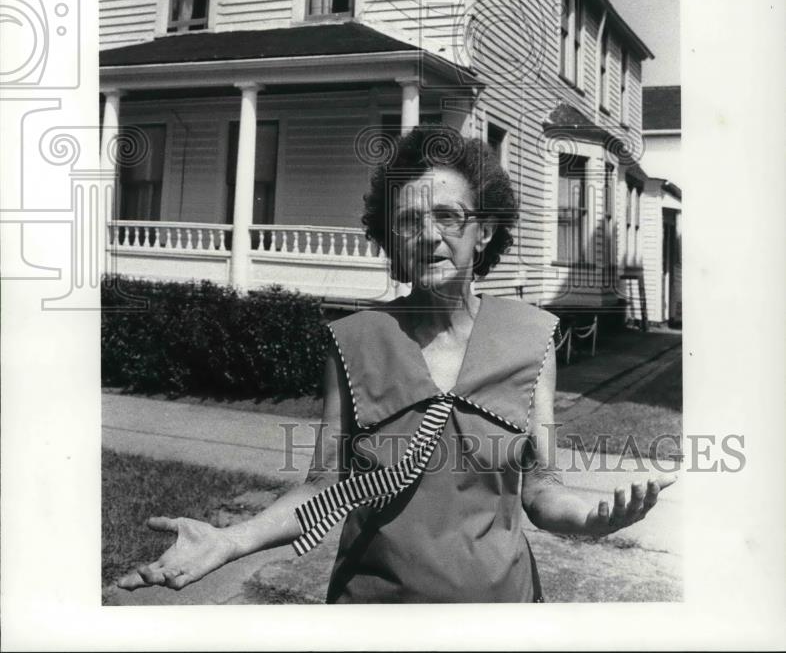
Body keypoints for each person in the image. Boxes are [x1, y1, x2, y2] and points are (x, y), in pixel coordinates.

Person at [118, 125, 674, 602]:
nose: (430, 235)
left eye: (450, 217)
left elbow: (540, 489)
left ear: (483, 232)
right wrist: (232, 539)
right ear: (390, 239)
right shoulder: (353, 340)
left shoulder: (533, 337)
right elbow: (323, 487)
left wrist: (594, 520)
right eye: (408, 221)